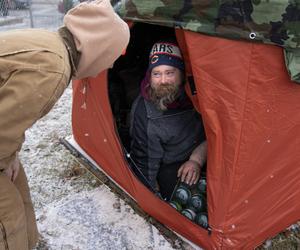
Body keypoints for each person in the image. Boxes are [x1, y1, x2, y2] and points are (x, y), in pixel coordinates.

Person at [0, 0, 130, 249]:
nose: (111, 64)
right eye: (114, 55)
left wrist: (11, 155)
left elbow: (9, 114)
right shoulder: (54, 70)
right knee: (8, 213)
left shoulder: (51, 46)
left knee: (20, 190)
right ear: (100, 48)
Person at [130, 41, 207, 200]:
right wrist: (152, 199)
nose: (163, 80)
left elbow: (220, 131)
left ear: (181, 73)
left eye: (170, 73)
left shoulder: (200, 93)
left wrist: (197, 159)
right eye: (156, 74)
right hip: (175, 167)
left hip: (207, 152)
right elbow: (144, 165)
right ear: (149, 76)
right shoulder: (145, 114)